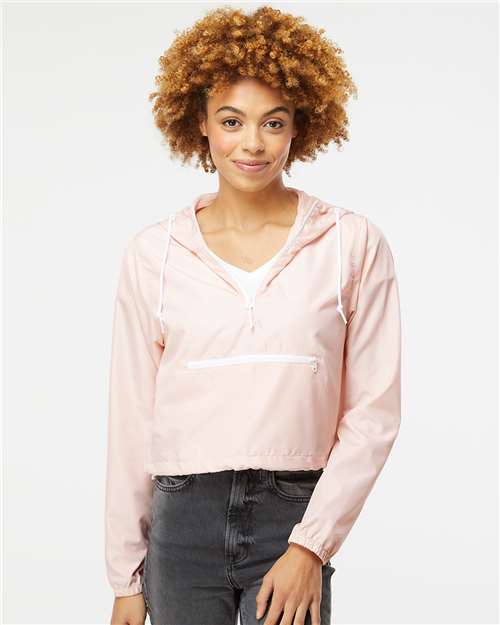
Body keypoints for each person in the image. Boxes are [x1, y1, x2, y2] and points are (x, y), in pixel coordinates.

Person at [105, 6, 401, 625]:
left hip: (292, 514)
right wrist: (126, 577)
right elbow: (133, 419)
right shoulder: (155, 254)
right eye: (232, 121)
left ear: (299, 127)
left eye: (274, 122)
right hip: (181, 520)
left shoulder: (349, 243)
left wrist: (310, 546)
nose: (253, 143)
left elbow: (373, 413)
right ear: (201, 124)